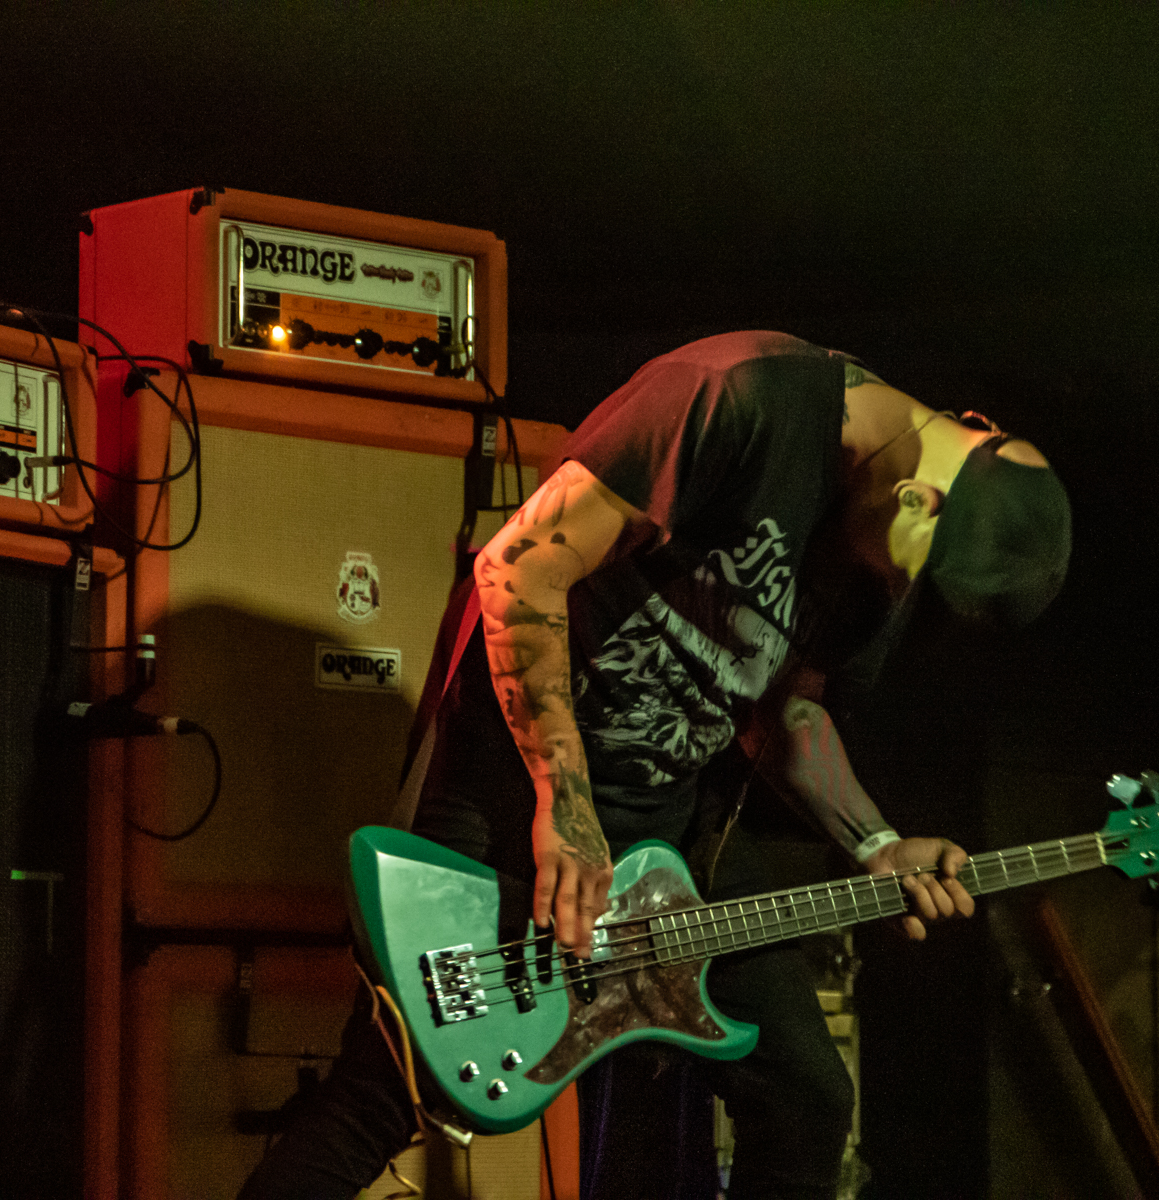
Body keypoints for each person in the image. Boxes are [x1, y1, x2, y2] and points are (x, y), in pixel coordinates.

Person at [239, 329, 1072, 1199]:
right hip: (517, 783)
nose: (898, 601)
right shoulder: (734, 399)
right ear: (917, 499)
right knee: (386, 1093)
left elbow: (789, 708)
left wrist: (875, 841)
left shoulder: (895, 541)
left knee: (807, 1100)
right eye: (914, 581)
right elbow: (519, 570)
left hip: (675, 823)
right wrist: (566, 805)